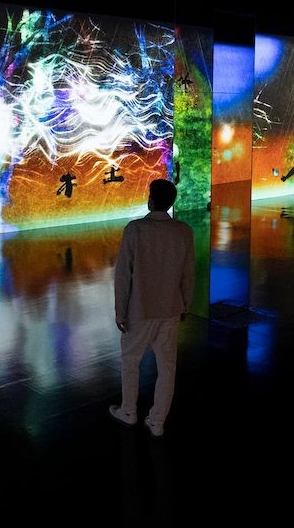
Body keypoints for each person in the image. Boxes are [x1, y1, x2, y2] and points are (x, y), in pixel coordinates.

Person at [110, 179, 195, 438]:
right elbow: (188, 274)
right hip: (170, 308)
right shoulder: (183, 231)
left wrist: (120, 311)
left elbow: (123, 275)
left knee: (131, 361)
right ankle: (157, 421)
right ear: (171, 202)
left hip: (140, 310)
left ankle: (128, 410)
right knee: (167, 367)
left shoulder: (135, 230)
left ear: (151, 199)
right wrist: (186, 305)